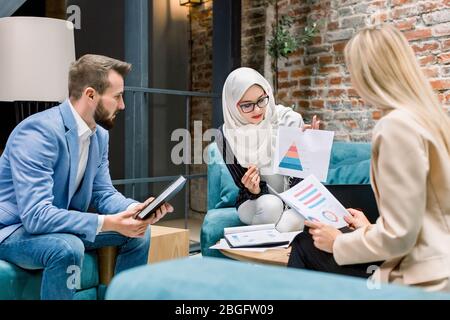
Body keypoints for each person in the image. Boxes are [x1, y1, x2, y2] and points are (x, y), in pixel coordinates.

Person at [288, 24, 450, 292]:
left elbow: (400, 237)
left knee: (305, 244)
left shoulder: (396, 126)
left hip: (423, 278)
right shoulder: (432, 120)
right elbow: (423, 217)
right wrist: (370, 227)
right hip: (441, 263)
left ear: (368, 74)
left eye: (352, 71)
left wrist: (337, 243)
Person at [0, 54, 173, 299]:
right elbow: (36, 216)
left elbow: (103, 193)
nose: (122, 105)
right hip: (12, 230)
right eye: (117, 96)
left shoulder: (99, 135)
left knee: (138, 234)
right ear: (90, 95)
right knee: (67, 248)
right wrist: (108, 223)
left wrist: (136, 209)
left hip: (58, 224)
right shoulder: (38, 132)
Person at [216, 67, 319, 232]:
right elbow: (242, 184)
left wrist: (310, 147)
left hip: (293, 199)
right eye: (247, 105)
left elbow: (303, 179)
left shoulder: (288, 120)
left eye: (261, 100)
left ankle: (260, 252)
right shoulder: (224, 135)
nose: (257, 110)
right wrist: (253, 189)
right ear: (232, 106)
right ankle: (261, 248)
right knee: (271, 205)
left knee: (292, 220)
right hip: (254, 201)